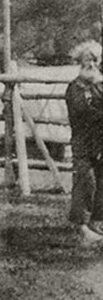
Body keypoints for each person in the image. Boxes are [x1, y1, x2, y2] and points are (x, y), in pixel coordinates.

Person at [65, 40, 103, 244]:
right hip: (83, 142)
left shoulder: (100, 84)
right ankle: (81, 227)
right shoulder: (75, 88)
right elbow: (81, 112)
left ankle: (97, 222)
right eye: (89, 59)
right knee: (85, 181)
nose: (92, 63)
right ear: (80, 61)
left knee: (102, 181)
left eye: (96, 59)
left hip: (101, 141)